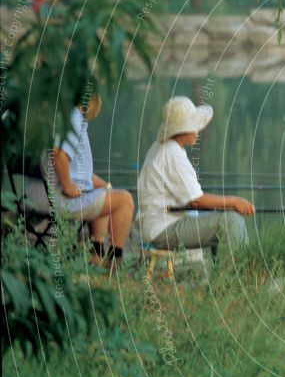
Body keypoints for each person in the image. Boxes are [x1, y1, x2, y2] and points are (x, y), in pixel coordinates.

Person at [137, 96, 255, 256]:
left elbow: (192, 199)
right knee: (231, 221)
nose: (198, 130)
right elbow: (196, 200)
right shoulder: (171, 153)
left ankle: (221, 274)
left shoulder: (163, 148)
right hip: (163, 229)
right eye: (194, 126)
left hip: (157, 225)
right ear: (181, 130)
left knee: (225, 218)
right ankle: (239, 275)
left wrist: (229, 205)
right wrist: (235, 201)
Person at [47, 93, 135, 267]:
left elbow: (80, 173)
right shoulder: (73, 118)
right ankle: (114, 262)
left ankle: (97, 256)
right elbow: (57, 154)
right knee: (125, 200)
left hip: (46, 195)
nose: (101, 104)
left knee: (104, 193)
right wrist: (68, 185)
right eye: (99, 98)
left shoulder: (67, 116)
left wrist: (105, 186)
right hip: (62, 200)